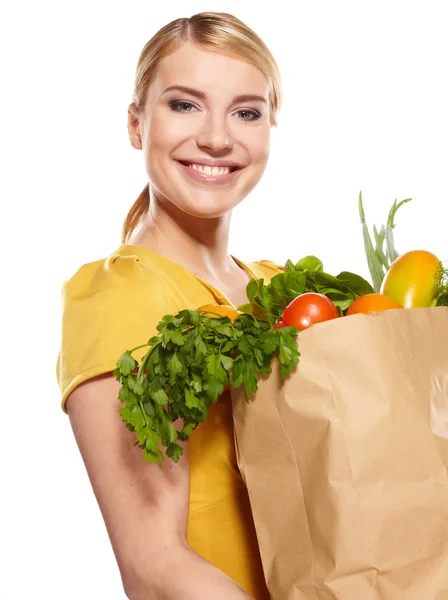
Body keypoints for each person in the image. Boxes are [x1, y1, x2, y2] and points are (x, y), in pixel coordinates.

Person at [57, 11, 284, 599]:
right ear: (136, 124)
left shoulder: (283, 293)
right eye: (184, 104)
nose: (216, 137)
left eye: (246, 112)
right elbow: (154, 566)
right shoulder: (121, 294)